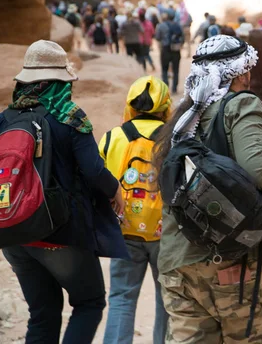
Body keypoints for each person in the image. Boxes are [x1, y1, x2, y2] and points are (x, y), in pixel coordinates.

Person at [153, 34, 262, 343]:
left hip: (178, 263)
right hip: (234, 262)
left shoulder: (185, 115)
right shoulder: (242, 104)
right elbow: (260, 171)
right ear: (241, 72)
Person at [0, 40, 128, 343]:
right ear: (62, 82)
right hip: (60, 235)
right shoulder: (70, 117)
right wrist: (116, 191)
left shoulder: (1, 120)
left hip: (13, 235)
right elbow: (94, 171)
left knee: (42, 314)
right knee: (89, 303)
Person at [101, 76, 171, 344]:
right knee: (167, 300)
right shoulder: (174, 138)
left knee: (121, 298)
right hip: (166, 234)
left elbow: (98, 180)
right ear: (166, 106)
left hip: (124, 231)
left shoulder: (112, 138)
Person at [155, 11, 183, 94]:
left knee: (164, 69)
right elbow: (182, 37)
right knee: (176, 69)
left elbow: (157, 37)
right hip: (175, 50)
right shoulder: (178, 25)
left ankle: (165, 87)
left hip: (165, 49)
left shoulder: (161, 25)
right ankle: (174, 88)